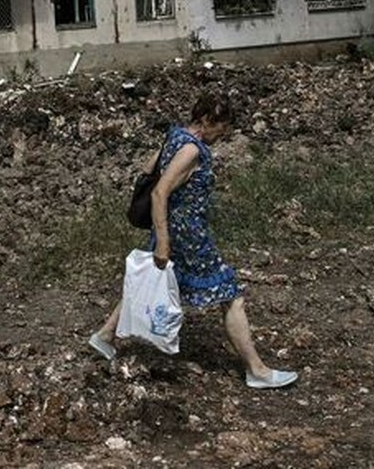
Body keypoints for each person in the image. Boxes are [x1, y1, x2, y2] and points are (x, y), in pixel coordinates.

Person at [87, 92, 298, 390]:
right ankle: (258, 371)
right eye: (222, 126)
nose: (223, 134)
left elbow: (147, 171)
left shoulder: (174, 136)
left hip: (171, 227)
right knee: (230, 293)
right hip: (187, 234)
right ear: (208, 120)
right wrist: (164, 242)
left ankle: (105, 335)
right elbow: (160, 191)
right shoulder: (192, 149)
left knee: (148, 280)